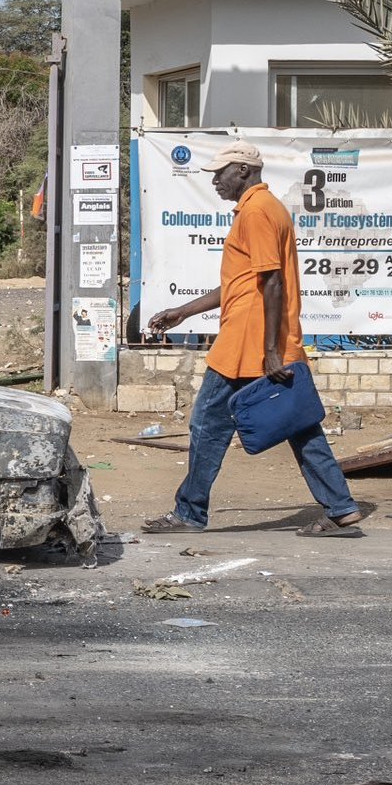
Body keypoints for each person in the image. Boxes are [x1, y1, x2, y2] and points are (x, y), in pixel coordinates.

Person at [142, 140, 363, 538]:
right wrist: (184, 311)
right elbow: (241, 284)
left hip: (247, 345)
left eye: (219, 173)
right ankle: (341, 508)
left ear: (243, 170)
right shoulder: (262, 209)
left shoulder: (258, 211)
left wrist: (271, 352)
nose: (215, 181)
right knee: (299, 425)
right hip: (261, 342)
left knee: (208, 425)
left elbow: (273, 281)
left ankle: (189, 513)